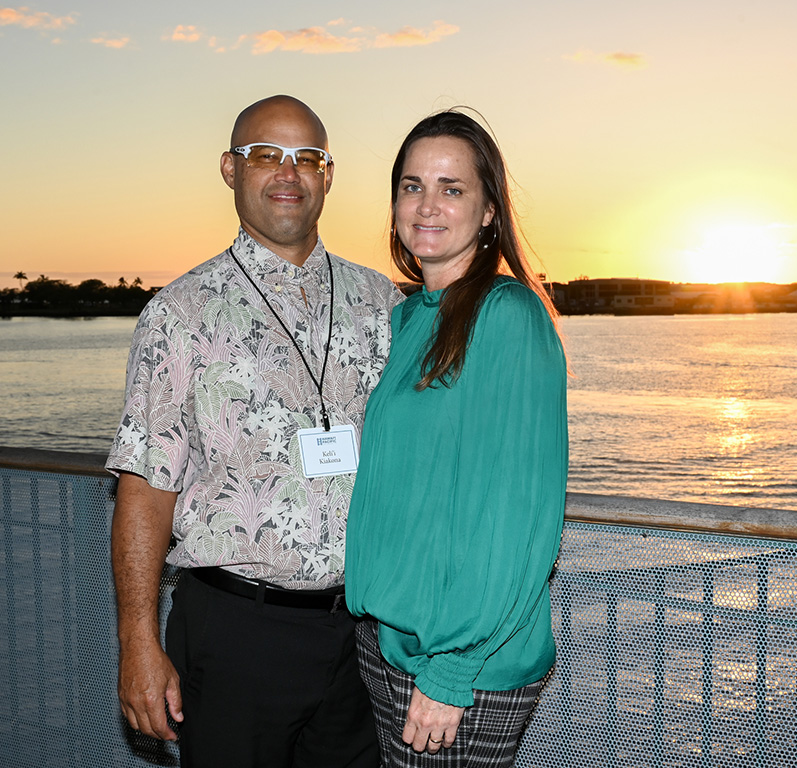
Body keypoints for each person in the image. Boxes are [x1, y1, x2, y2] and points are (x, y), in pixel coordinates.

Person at [107, 95, 401, 768]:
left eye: (307, 159)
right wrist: (137, 641)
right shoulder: (180, 314)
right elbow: (146, 488)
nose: (287, 174)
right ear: (230, 170)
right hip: (238, 634)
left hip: (363, 637)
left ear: (328, 176)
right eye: (266, 155)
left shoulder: (381, 303)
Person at [345, 110, 569, 767]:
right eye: (412, 186)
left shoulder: (507, 316)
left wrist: (452, 669)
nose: (427, 205)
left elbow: (518, 514)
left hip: (458, 665)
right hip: (392, 641)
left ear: (490, 210)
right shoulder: (408, 317)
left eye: (452, 188)